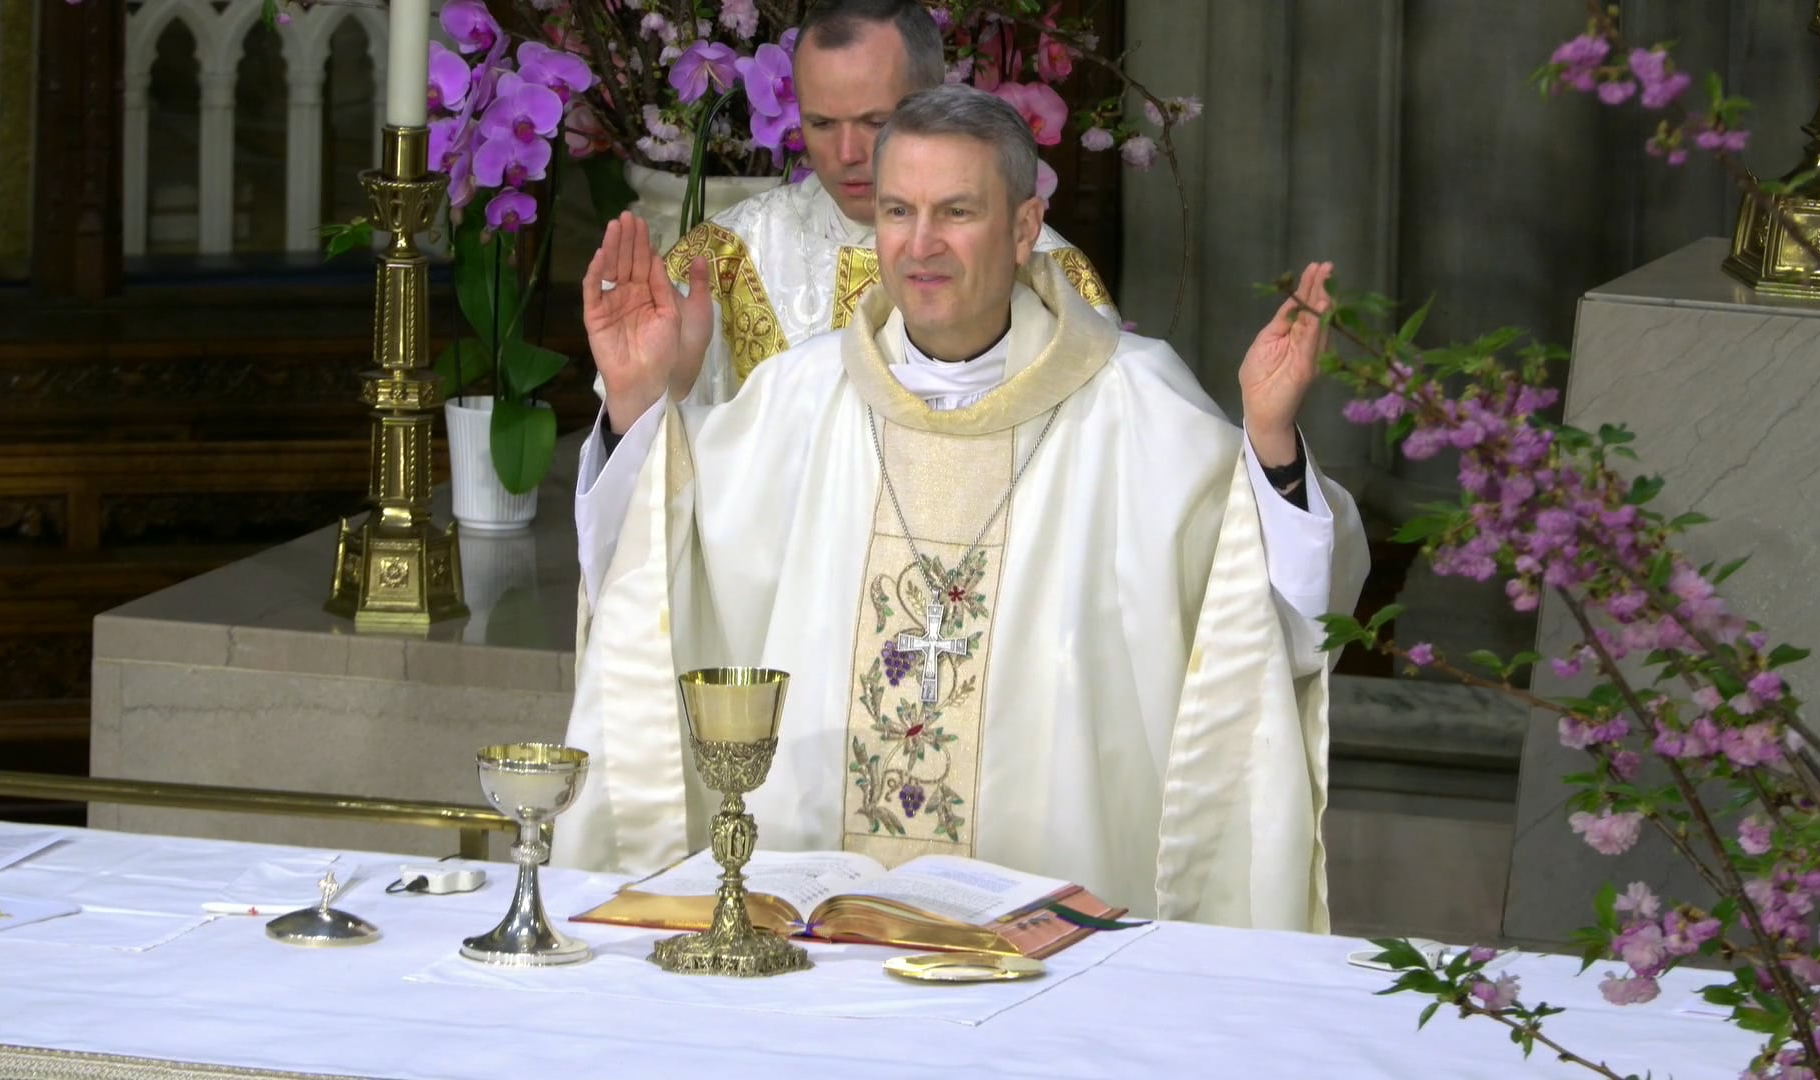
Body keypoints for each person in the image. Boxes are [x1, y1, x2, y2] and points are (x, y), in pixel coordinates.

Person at [555, 85, 1370, 932]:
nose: (921, 245)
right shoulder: (799, 399)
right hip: (816, 940)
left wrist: (1270, 444)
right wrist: (635, 407)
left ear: (1024, 228)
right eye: (899, 211)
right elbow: (654, 565)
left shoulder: (1133, 401)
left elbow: (1270, 617)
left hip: (1049, 946)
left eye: (956, 211)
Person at [603, 0, 1118, 408]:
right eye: (821, 124)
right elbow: (653, 487)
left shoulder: (1045, 273)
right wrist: (663, 391)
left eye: (876, 122)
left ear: (935, 96)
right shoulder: (723, 260)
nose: (848, 154)